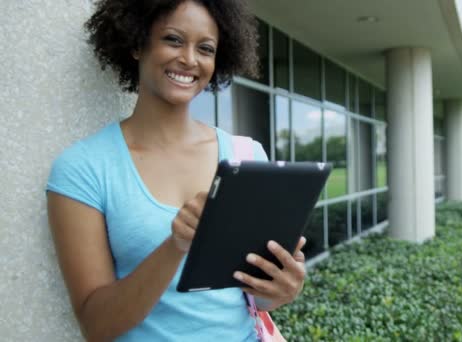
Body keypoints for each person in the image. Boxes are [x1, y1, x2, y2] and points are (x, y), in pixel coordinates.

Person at [46, 0, 306, 340]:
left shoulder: (247, 155)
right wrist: (176, 245)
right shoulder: (83, 169)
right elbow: (96, 325)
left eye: (206, 48)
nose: (189, 59)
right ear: (138, 43)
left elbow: (252, 294)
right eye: (173, 39)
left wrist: (281, 289)